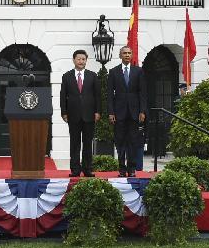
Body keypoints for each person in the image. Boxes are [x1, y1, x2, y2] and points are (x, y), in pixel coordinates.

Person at [107, 46, 147, 177]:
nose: (127, 55)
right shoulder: (113, 72)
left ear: (132, 55)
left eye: (129, 53)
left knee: (133, 141)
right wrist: (111, 112)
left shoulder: (138, 71)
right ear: (120, 55)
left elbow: (142, 93)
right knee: (120, 142)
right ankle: (122, 169)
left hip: (135, 113)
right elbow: (109, 95)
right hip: (119, 113)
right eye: (124, 53)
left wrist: (142, 111)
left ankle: (131, 169)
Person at [60, 49, 100, 177]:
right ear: (74, 60)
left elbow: (97, 96)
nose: (81, 61)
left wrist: (97, 111)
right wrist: (64, 112)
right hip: (73, 115)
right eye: (79, 59)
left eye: (83, 59)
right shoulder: (66, 76)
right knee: (75, 143)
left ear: (86, 61)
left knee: (88, 143)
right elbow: (63, 96)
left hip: (89, 115)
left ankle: (87, 169)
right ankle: (75, 170)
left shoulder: (93, 75)